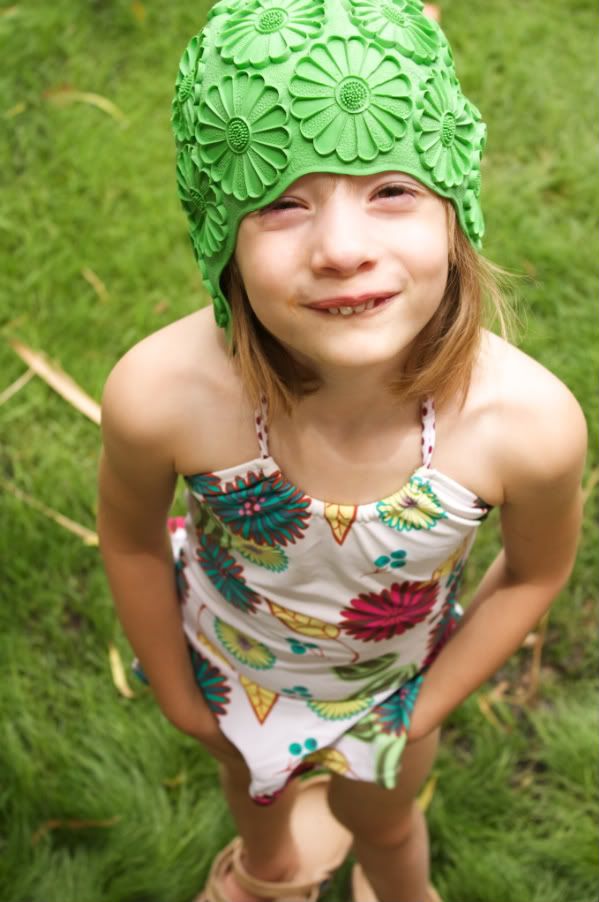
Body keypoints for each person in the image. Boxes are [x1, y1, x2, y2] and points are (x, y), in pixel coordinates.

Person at [97, 1, 587, 901]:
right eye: (282, 202)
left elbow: (533, 573)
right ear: (220, 236)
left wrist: (421, 708)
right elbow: (129, 539)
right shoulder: (160, 396)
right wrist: (179, 697)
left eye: (390, 189)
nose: (341, 249)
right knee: (253, 795)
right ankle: (269, 871)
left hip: (393, 685)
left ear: (454, 211)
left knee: (386, 823)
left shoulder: (525, 425)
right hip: (228, 664)